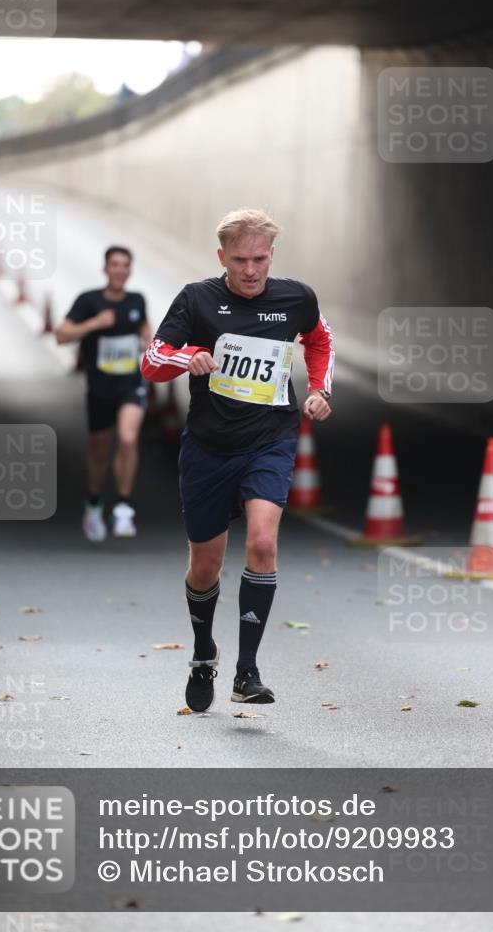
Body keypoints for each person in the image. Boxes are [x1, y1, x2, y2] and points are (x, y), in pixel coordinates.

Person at [141, 209, 334, 711]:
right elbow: (152, 360)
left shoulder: (295, 297)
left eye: (261, 259)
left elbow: (319, 340)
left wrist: (319, 389)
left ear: (272, 255)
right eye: (241, 260)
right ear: (221, 256)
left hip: (270, 440)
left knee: (264, 543)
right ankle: (205, 651)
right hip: (207, 448)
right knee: (205, 566)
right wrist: (189, 357)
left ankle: (247, 671)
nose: (251, 270)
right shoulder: (197, 298)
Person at [56, 246, 150, 541]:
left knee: (128, 437)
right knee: (99, 450)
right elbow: (61, 335)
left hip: (130, 384)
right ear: (105, 268)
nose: (120, 270)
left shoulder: (136, 301)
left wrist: (148, 341)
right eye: (115, 264)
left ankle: (123, 506)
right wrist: (95, 323)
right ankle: (94, 503)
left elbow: (146, 329)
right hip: (100, 388)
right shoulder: (89, 301)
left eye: (125, 265)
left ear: (130, 270)